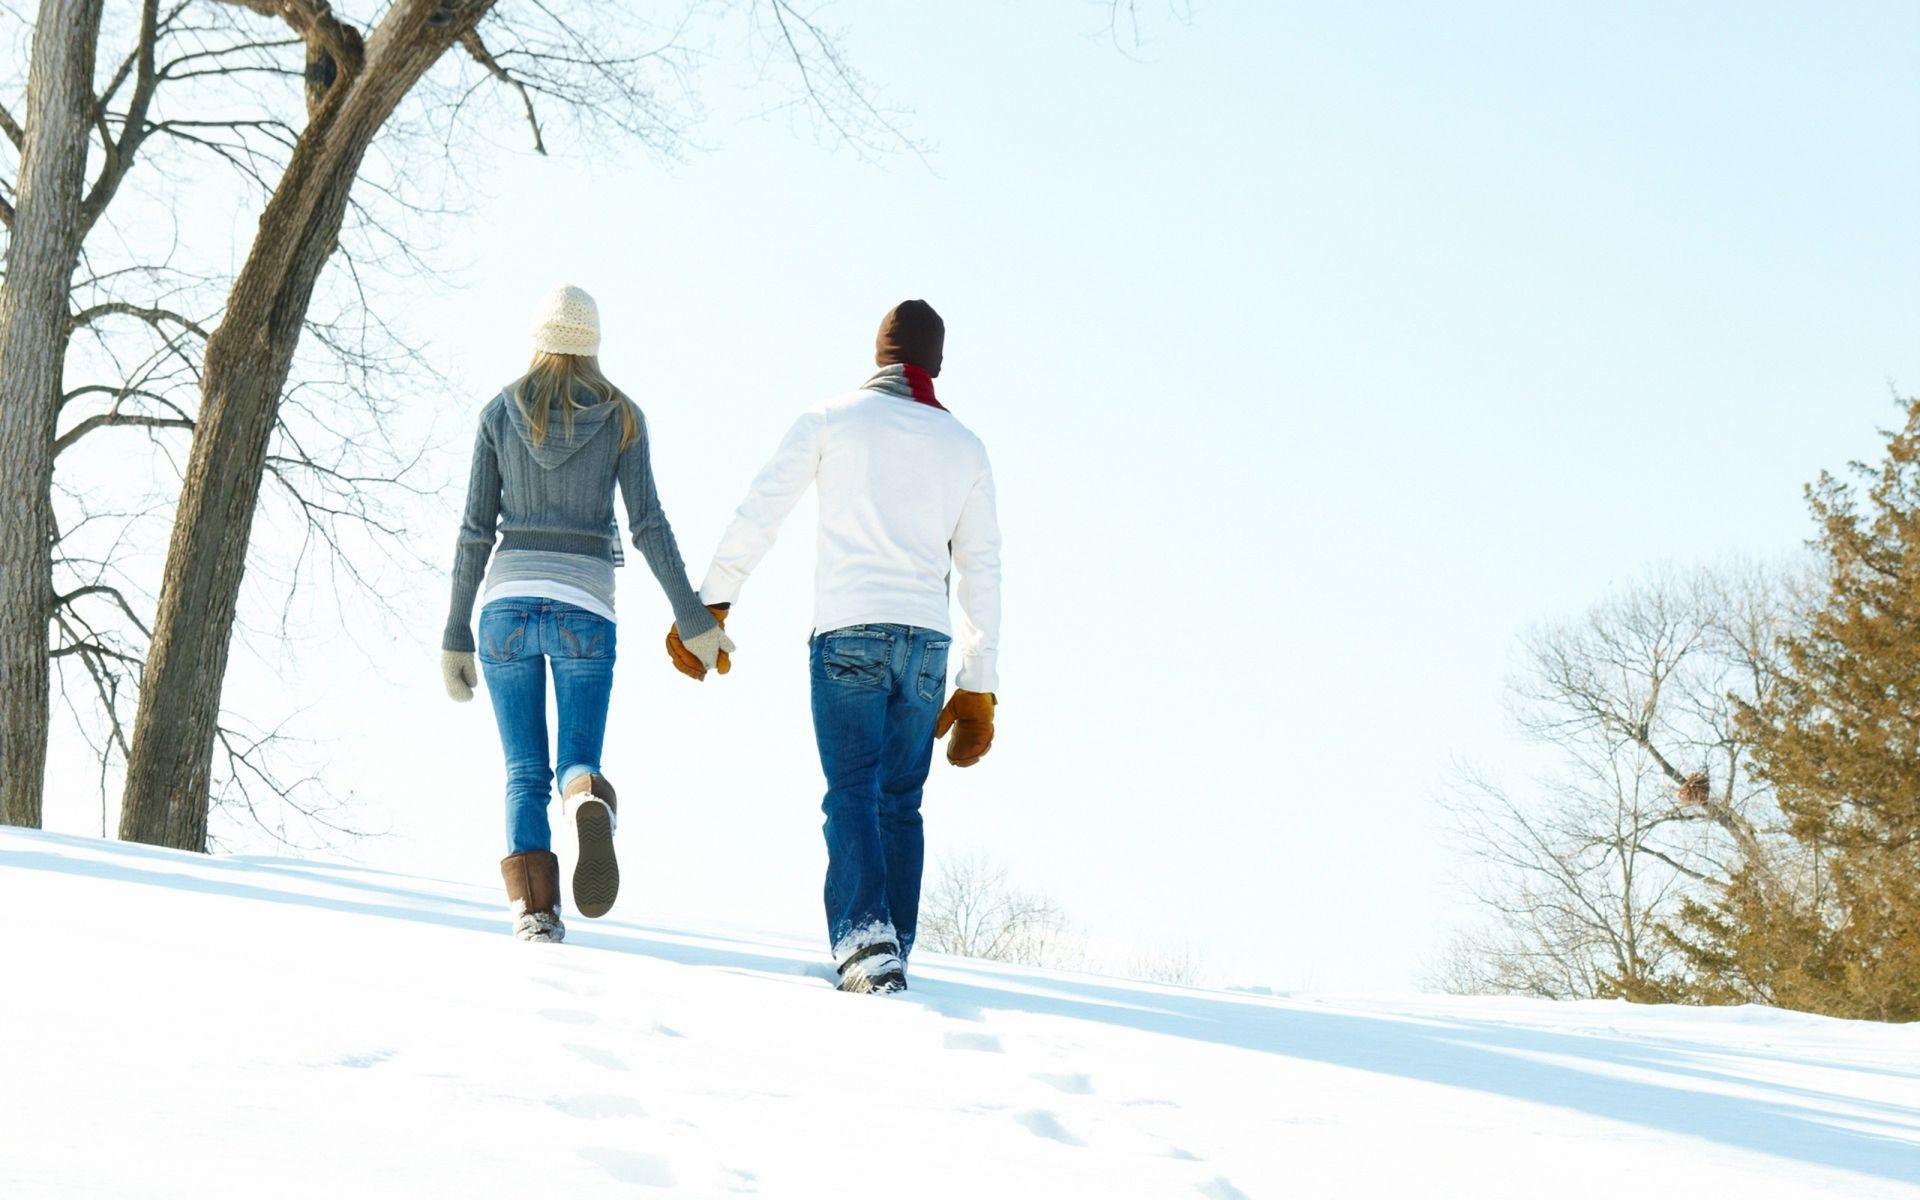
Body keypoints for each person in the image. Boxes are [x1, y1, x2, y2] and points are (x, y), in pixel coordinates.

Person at [667, 299, 1001, 993]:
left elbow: (763, 508)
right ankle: (890, 944)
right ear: (935, 363)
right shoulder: (966, 447)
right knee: (900, 801)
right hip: (927, 644)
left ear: (879, 353)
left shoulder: (830, 419)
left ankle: (866, 940)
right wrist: (978, 683)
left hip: (849, 630)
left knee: (851, 791)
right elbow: (982, 569)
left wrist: (714, 601)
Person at [442, 284, 733, 943]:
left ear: (538, 340)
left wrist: (456, 630)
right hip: (584, 607)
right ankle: (586, 799)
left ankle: (536, 912)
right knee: (575, 758)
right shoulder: (623, 416)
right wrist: (693, 618)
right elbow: (649, 526)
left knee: (523, 769)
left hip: (506, 604)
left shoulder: (497, 413)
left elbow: (472, 531)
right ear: (592, 344)